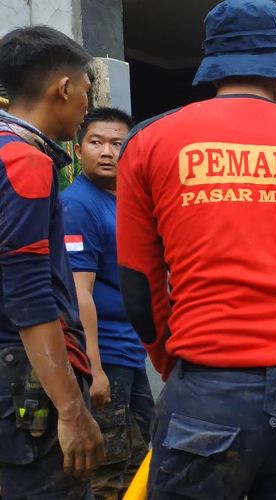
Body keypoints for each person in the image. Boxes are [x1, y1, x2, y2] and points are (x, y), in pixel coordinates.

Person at [116, 1, 276, 498]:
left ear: (215, 70)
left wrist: (180, 368)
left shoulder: (150, 143)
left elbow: (139, 287)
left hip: (208, 392)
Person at [0, 26, 104, 498]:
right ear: (64, 88)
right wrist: (70, 410)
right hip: (23, 380)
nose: (86, 104)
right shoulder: (25, 163)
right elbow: (29, 293)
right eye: (86, 89)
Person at [61, 108, 153, 499]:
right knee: (108, 468)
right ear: (78, 148)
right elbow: (79, 291)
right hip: (105, 357)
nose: (107, 152)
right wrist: (93, 368)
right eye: (96, 142)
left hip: (129, 353)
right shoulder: (79, 205)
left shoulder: (124, 201)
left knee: (139, 453)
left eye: (118, 143)